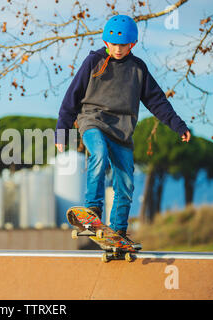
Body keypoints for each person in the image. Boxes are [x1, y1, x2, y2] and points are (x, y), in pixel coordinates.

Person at [55, 15, 191, 245]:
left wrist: (177, 125)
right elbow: (73, 96)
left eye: (123, 45)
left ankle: (117, 231)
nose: (118, 49)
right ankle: (93, 211)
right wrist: (62, 130)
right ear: (106, 42)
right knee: (99, 154)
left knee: (126, 183)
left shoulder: (138, 69)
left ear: (132, 45)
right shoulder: (93, 62)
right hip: (92, 121)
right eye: (114, 44)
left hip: (122, 132)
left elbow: (157, 101)